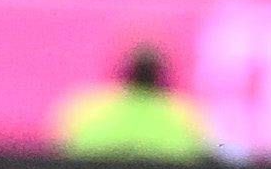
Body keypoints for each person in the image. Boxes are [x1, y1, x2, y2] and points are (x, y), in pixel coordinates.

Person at [52, 42, 216, 159]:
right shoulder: (185, 112)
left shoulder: (86, 107)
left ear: (122, 72)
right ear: (164, 76)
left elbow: (56, 153)